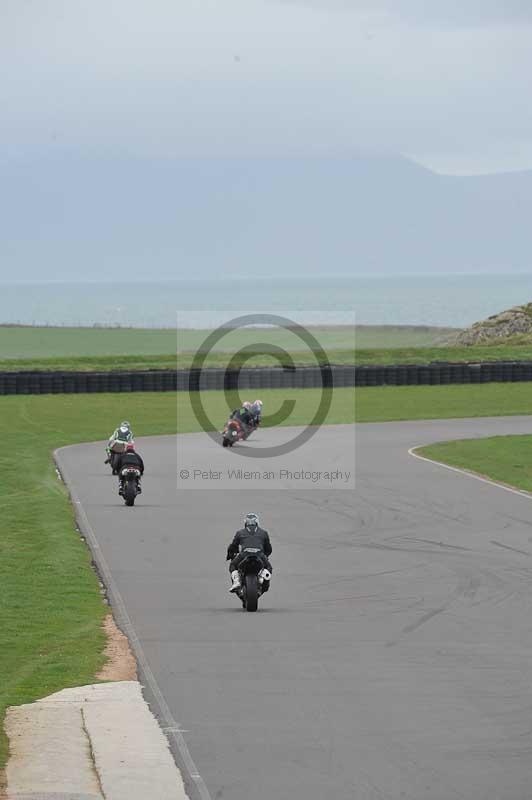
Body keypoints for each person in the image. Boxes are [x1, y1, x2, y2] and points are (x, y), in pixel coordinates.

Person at [226, 512, 272, 592]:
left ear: (245, 523)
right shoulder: (264, 533)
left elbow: (233, 546)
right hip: (259, 555)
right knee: (269, 567)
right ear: (257, 522)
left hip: (244, 554)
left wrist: (230, 554)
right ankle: (262, 578)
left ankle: (236, 581)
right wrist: (265, 556)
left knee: (232, 565)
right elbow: (269, 549)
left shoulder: (240, 533)